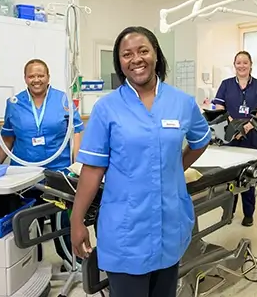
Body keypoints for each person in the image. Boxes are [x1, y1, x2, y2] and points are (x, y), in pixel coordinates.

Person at [70, 26, 211, 297]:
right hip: (125, 229)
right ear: (119, 63)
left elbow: (200, 140)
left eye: (143, 50)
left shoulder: (181, 102)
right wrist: (77, 220)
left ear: (156, 54)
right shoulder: (106, 108)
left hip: (169, 223)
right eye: (127, 54)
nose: (136, 59)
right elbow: (93, 169)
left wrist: (174, 169)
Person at [0, 58, 85, 264]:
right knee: (27, 222)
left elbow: (77, 129)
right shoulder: (14, 104)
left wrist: (77, 162)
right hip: (23, 173)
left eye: (40, 75)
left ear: (48, 77)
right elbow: (8, 137)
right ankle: (30, 264)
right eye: (31, 76)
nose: (36, 80)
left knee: (62, 220)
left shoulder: (63, 100)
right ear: (25, 78)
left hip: (57, 172)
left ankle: (71, 260)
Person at [211, 50, 257, 227]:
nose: (242, 65)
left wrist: (246, 127)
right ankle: (227, 213)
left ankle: (248, 214)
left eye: (245, 62)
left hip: (251, 137)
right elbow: (219, 107)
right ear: (234, 65)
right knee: (228, 176)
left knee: (248, 176)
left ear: (251, 64)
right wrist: (232, 125)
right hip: (230, 135)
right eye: (238, 62)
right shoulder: (226, 84)